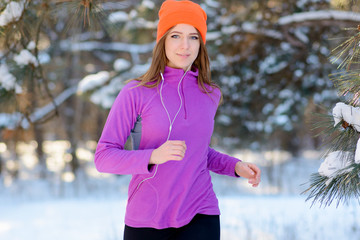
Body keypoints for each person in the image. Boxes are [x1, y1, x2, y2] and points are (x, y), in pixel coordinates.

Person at [94, 1, 261, 239]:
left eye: (193, 37)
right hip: (147, 217)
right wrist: (152, 156)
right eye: (176, 35)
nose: (185, 46)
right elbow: (103, 157)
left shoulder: (209, 94)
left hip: (201, 212)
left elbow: (198, 151)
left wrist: (234, 166)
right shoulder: (136, 92)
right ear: (162, 40)